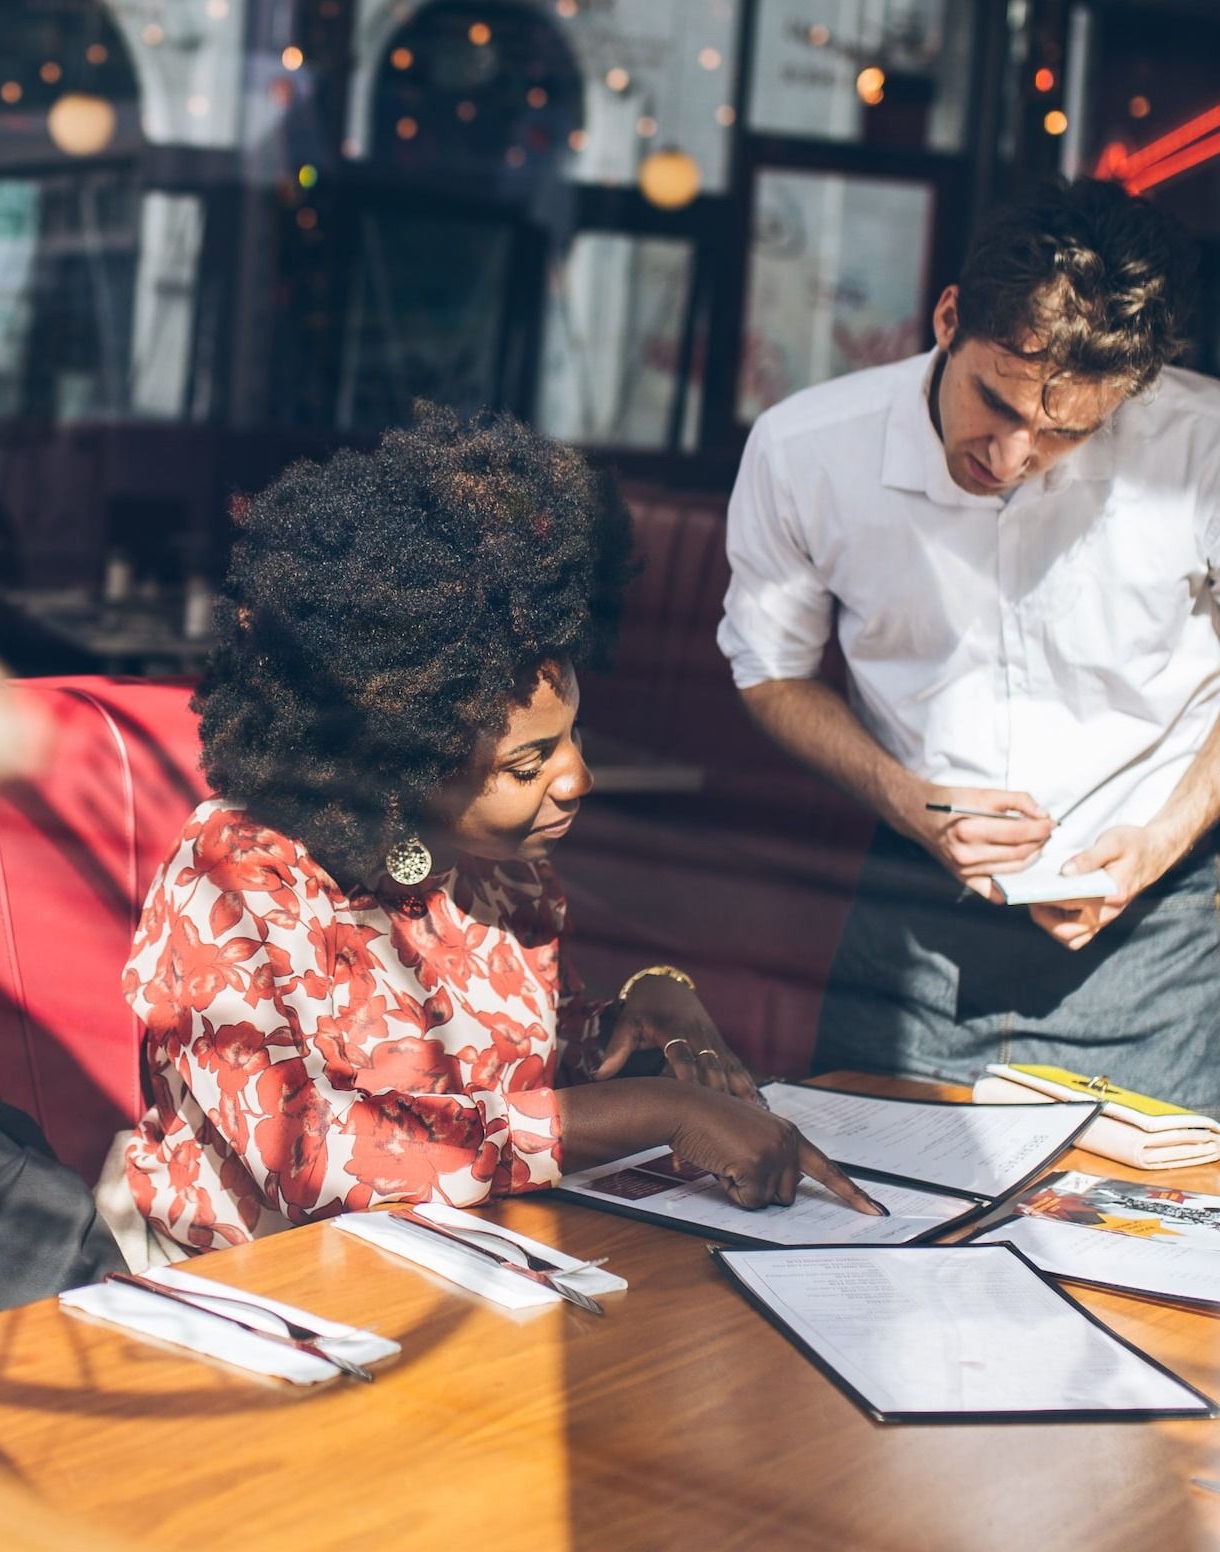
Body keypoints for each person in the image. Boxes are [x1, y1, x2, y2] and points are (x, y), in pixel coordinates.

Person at [109, 407, 882, 1259]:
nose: (577, 778)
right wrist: (662, 1112)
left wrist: (639, 1014)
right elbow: (316, 1159)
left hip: (448, 1273)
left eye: (576, 735)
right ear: (403, 758)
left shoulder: (499, 872)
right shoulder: (233, 878)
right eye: (529, 763)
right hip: (244, 1297)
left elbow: (510, 1074)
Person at [718, 178, 1220, 1106]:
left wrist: (1157, 843)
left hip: (1158, 935)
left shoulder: (1204, 449)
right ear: (949, 317)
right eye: (997, 401)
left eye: (1068, 433)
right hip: (912, 921)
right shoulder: (803, 450)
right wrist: (908, 802)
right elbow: (770, 672)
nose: (1013, 454)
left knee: (1142, 1239)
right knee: (866, 1222)